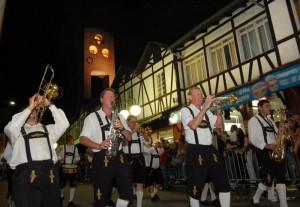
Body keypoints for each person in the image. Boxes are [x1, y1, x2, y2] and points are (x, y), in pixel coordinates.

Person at [4, 93, 70, 207]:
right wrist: (30, 107)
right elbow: (9, 129)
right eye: (29, 113)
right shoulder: (17, 132)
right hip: (25, 176)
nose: (31, 114)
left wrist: (49, 105)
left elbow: (64, 124)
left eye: (34, 111)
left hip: (50, 175)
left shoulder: (48, 129)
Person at [79, 88, 132, 207]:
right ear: (102, 99)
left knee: (127, 192)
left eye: (114, 97)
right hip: (102, 156)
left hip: (119, 157)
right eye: (110, 97)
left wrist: (122, 128)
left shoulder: (120, 117)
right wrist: (98, 145)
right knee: (101, 196)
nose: (113, 99)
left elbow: (129, 138)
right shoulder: (92, 117)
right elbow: (83, 139)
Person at [180, 86, 230, 207]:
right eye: (197, 94)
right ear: (190, 97)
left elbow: (219, 126)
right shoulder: (185, 110)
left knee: (223, 182)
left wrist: (218, 109)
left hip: (210, 149)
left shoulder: (207, 111)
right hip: (195, 149)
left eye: (201, 94)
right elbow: (193, 125)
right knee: (195, 185)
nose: (201, 96)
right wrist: (206, 107)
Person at [248, 99, 288, 207]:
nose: (268, 108)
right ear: (260, 108)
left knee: (280, 176)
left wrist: (281, 131)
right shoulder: (253, 120)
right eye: (266, 106)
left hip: (276, 150)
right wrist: (267, 145)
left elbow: (276, 134)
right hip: (265, 151)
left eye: (268, 106)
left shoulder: (270, 120)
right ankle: (255, 198)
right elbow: (252, 139)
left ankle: (284, 204)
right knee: (268, 180)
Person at [122, 115, 146, 207]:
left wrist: (142, 136)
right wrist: (134, 131)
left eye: (136, 122)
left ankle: (139, 205)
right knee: (127, 182)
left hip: (139, 158)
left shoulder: (139, 132)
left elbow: (143, 148)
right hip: (128, 158)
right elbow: (124, 141)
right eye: (132, 122)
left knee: (140, 182)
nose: (134, 124)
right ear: (127, 122)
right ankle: (126, 201)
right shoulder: (124, 131)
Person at [57, 134, 80, 207]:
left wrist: (76, 160)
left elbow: (77, 157)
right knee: (62, 184)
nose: (72, 142)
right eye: (71, 140)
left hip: (73, 168)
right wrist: (61, 158)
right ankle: (61, 196)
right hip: (64, 167)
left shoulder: (75, 148)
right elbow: (58, 156)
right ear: (67, 141)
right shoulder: (62, 147)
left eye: (72, 140)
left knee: (73, 184)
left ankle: (70, 201)